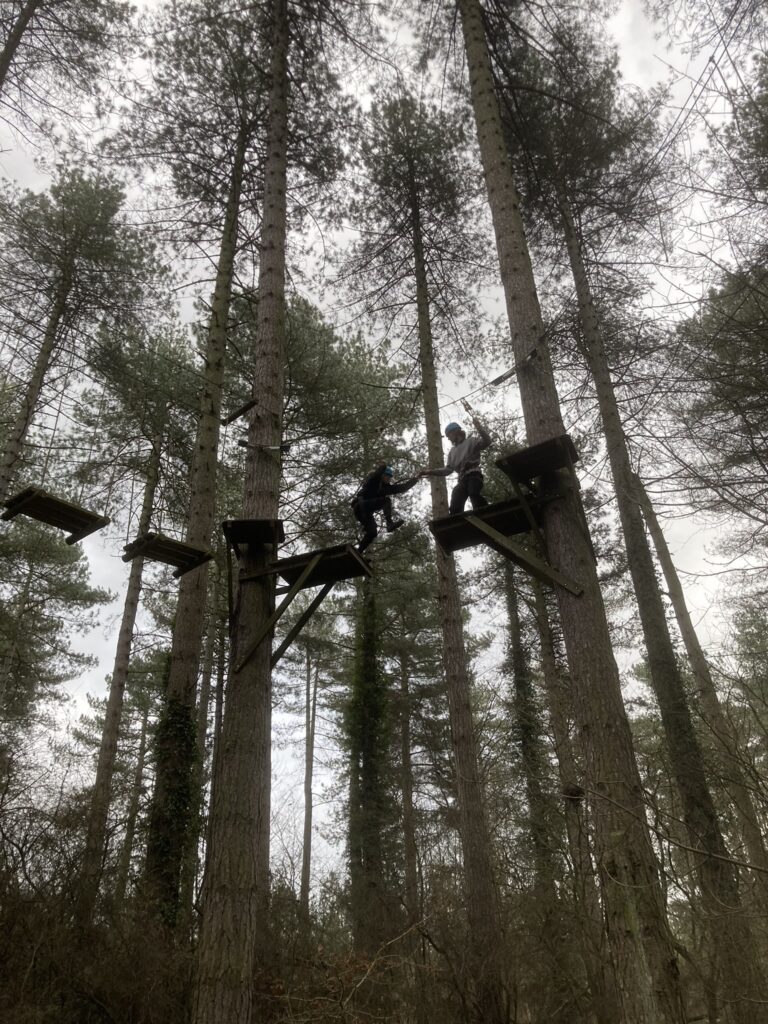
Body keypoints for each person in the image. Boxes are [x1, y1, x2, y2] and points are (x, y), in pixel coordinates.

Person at [421, 416, 492, 514]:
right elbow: (448, 470)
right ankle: (456, 519)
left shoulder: (471, 441)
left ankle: (486, 513)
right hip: (462, 478)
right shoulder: (452, 452)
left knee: (473, 493)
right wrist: (430, 472)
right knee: (456, 498)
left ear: (455, 432)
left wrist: (480, 429)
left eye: (449, 435)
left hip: (474, 474)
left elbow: (487, 442)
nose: (448, 438)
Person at [352, 464, 420, 553]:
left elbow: (402, 488)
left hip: (365, 513)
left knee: (372, 533)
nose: (389, 478)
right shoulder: (374, 481)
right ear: (382, 475)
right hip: (360, 506)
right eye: (388, 476)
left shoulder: (386, 488)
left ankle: (359, 551)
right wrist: (383, 465)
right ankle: (389, 523)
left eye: (390, 477)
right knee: (386, 500)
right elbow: (378, 472)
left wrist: (416, 479)